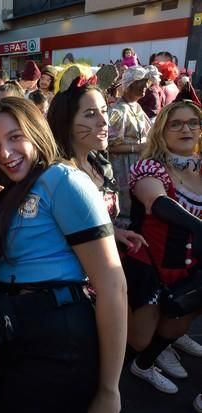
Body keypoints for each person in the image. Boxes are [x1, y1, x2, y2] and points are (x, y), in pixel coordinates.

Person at [0, 97, 126, 413]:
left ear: (37, 131)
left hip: (57, 347)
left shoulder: (62, 180)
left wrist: (109, 389)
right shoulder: (17, 187)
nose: (5, 152)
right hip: (16, 338)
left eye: (16, 137)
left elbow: (113, 287)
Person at [125, 101, 202, 394]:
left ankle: (160, 348)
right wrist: (198, 227)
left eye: (193, 122)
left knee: (178, 322)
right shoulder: (150, 167)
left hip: (190, 263)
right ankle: (144, 355)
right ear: (162, 130)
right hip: (151, 264)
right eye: (176, 123)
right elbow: (156, 202)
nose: (186, 129)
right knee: (139, 339)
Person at [48, 76, 147, 252]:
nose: (104, 121)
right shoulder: (59, 176)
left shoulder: (98, 163)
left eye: (104, 111)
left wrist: (113, 232)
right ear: (66, 121)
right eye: (91, 114)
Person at [108, 66, 153, 218]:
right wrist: (137, 147)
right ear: (129, 86)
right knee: (125, 202)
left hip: (137, 164)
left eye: (147, 83)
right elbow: (109, 146)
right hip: (122, 166)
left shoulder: (137, 107)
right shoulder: (118, 111)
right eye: (141, 83)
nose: (146, 87)